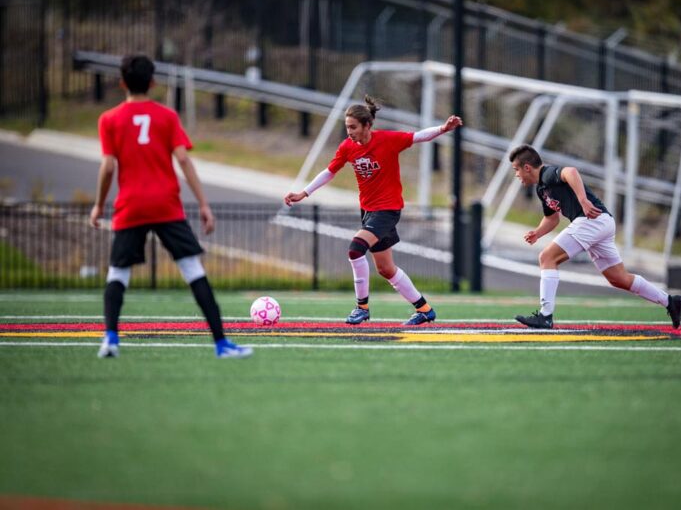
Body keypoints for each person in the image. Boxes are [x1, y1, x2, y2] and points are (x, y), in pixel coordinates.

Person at [89, 54, 252, 359]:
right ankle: (221, 344)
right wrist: (203, 204)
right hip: (166, 204)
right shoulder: (166, 116)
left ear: (122, 82)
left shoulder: (108, 119)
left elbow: (108, 167)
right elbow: (184, 159)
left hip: (131, 205)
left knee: (118, 274)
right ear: (152, 82)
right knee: (193, 270)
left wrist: (99, 206)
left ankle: (110, 339)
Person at [284, 95, 462, 325]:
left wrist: (443, 128)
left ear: (367, 125)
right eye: (347, 127)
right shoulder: (348, 147)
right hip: (368, 211)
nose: (349, 132)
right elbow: (330, 171)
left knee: (355, 249)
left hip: (387, 210)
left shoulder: (388, 140)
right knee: (386, 269)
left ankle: (362, 308)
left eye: (353, 127)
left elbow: (419, 136)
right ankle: (425, 309)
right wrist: (303, 193)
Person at [508, 144, 681, 329]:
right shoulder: (541, 189)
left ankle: (545, 316)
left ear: (527, 167)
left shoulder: (547, 174)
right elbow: (552, 219)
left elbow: (571, 172)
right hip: (601, 222)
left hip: (590, 220)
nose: (516, 175)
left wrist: (583, 201)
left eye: (516, 170)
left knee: (547, 257)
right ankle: (670, 301)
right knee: (618, 278)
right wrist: (537, 232)